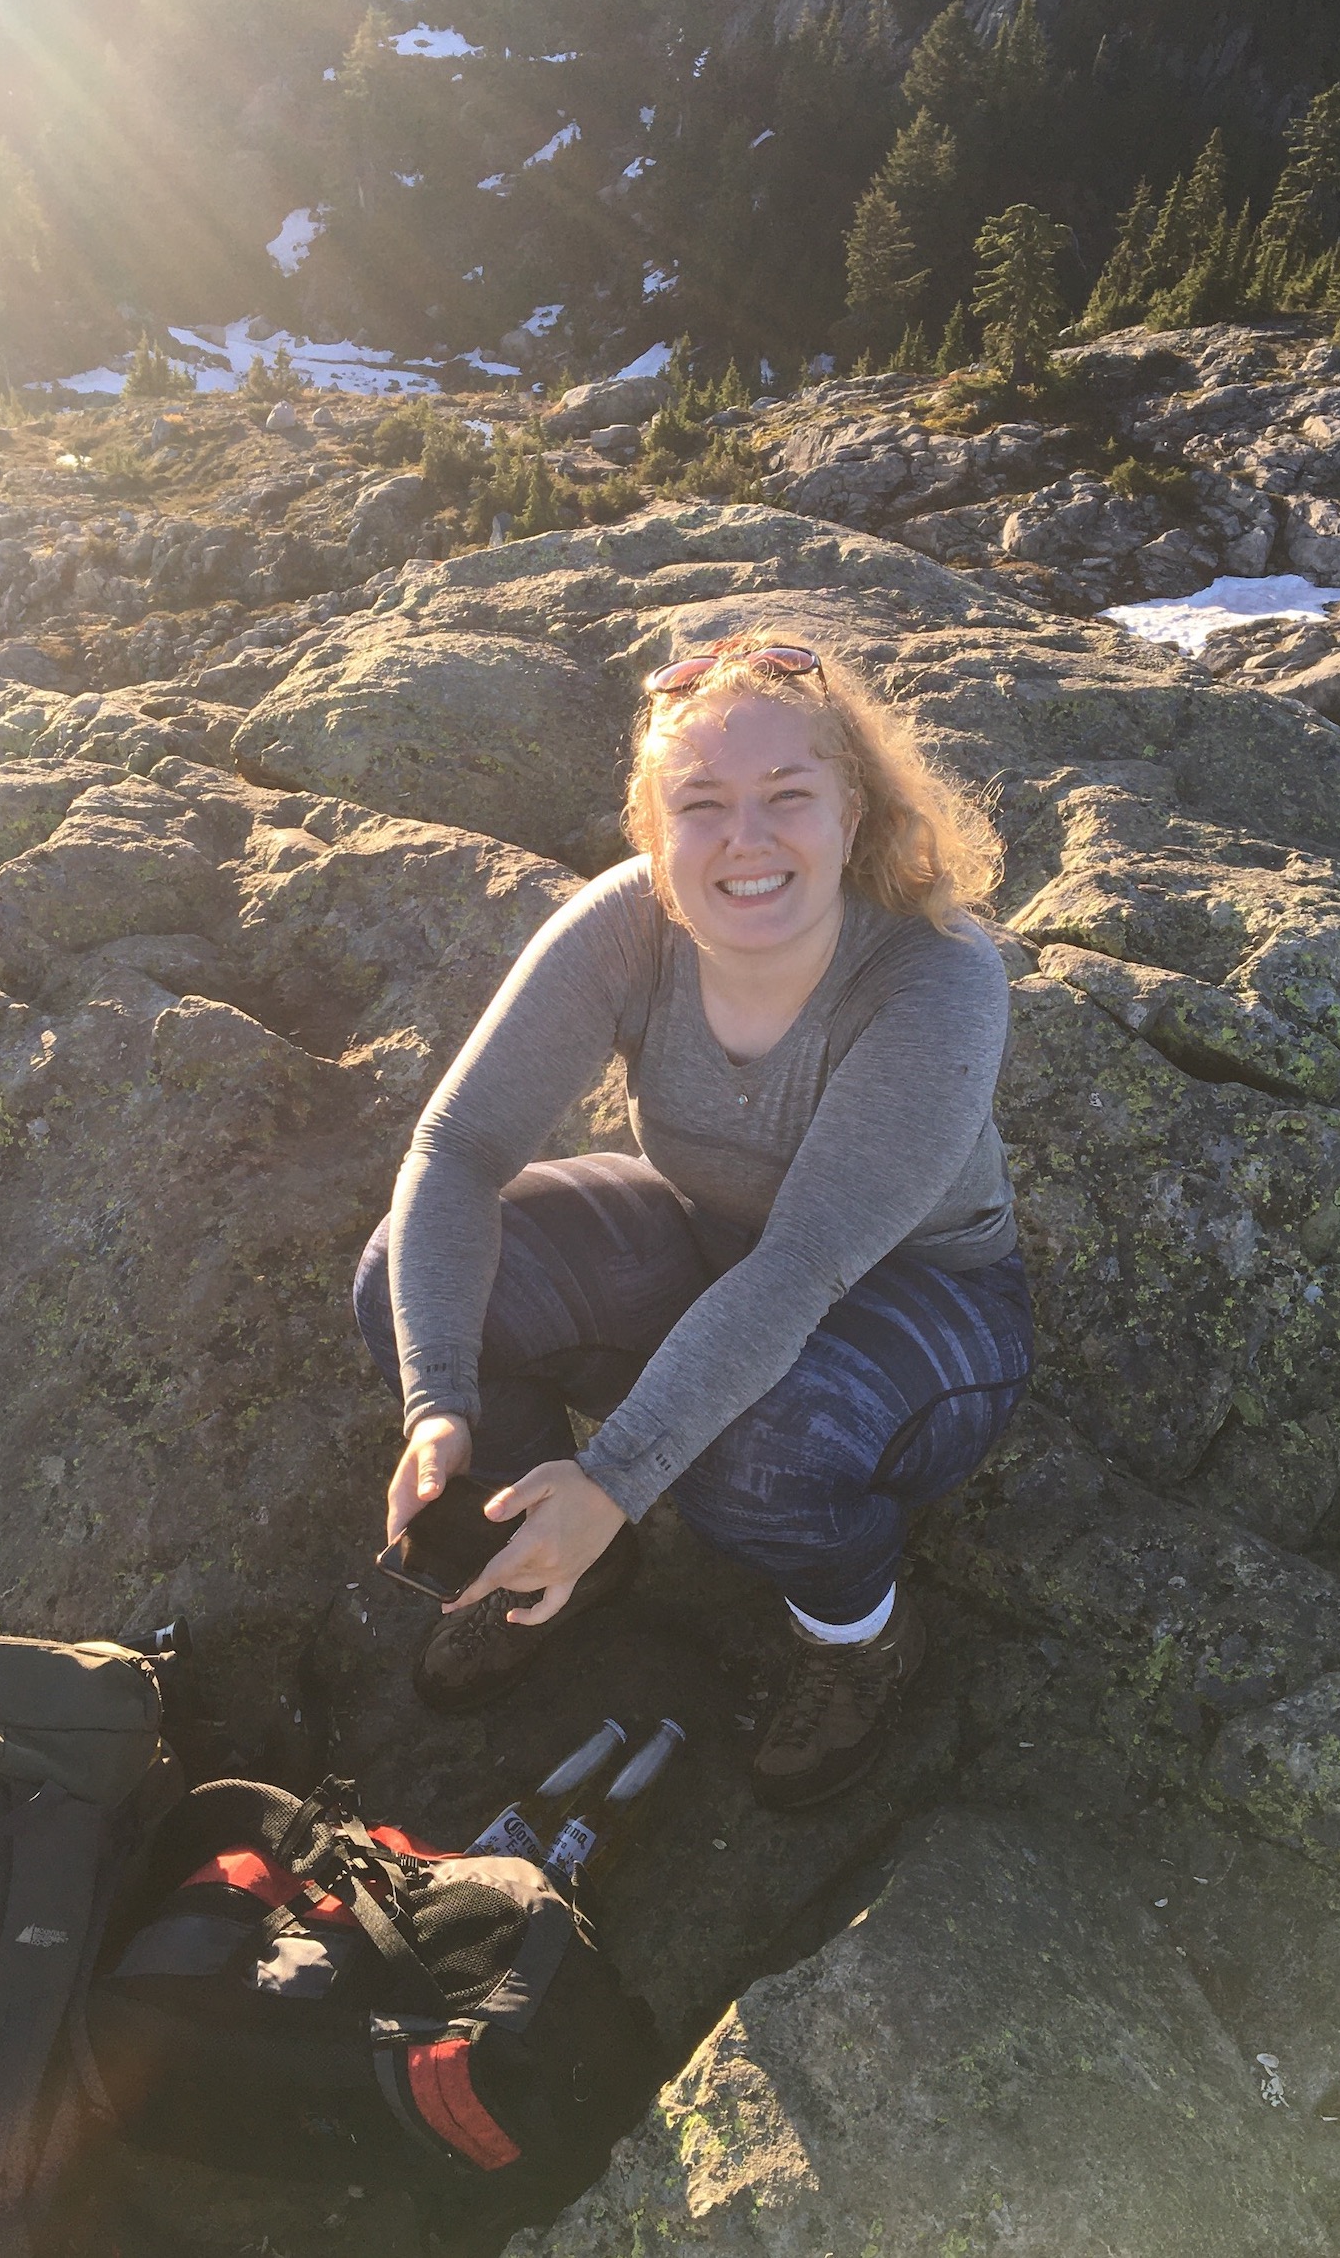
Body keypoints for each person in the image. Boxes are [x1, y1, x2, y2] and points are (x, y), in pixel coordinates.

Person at [353, 632, 1033, 1809]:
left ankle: (854, 1633)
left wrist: (617, 1474)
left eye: (787, 796)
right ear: (654, 833)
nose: (745, 840)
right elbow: (456, 1150)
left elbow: (807, 1266)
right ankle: (548, 1561)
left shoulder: (932, 977)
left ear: (854, 810)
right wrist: (439, 1403)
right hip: (708, 1238)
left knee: (749, 1456)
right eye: (701, 804)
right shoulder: (629, 923)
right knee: (425, 1290)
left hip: (921, 1300)